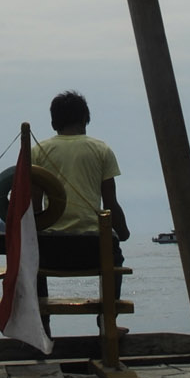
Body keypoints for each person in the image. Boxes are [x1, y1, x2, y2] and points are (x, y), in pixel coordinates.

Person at [30, 90, 128, 272]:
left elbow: (34, 206)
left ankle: (39, 299)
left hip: (51, 250)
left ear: (53, 123)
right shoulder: (101, 150)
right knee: (115, 257)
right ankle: (111, 301)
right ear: (85, 120)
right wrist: (123, 232)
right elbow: (110, 203)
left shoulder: (37, 152)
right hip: (93, 247)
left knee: (32, 261)